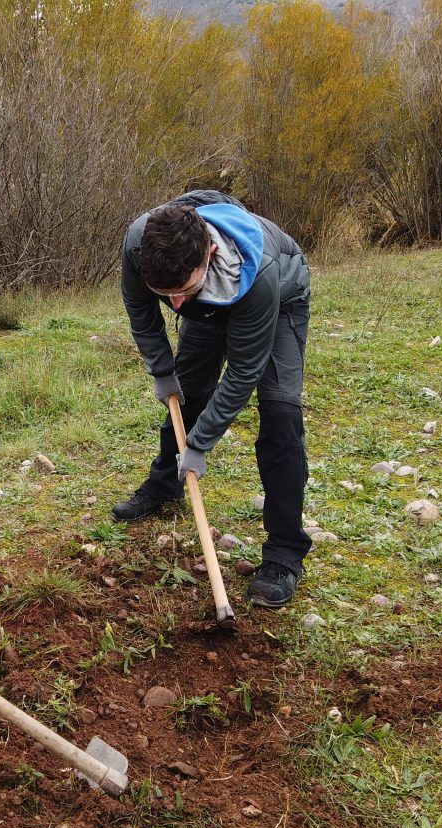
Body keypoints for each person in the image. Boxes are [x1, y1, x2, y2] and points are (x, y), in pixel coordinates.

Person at [111, 190, 311, 609]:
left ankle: (284, 553)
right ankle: (165, 485)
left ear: (212, 253)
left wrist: (200, 444)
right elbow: (140, 309)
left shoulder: (260, 275)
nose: (176, 304)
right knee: (188, 392)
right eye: (166, 293)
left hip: (278, 300)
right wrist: (163, 370)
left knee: (279, 413)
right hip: (213, 299)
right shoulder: (139, 244)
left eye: (182, 290)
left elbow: (243, 372)